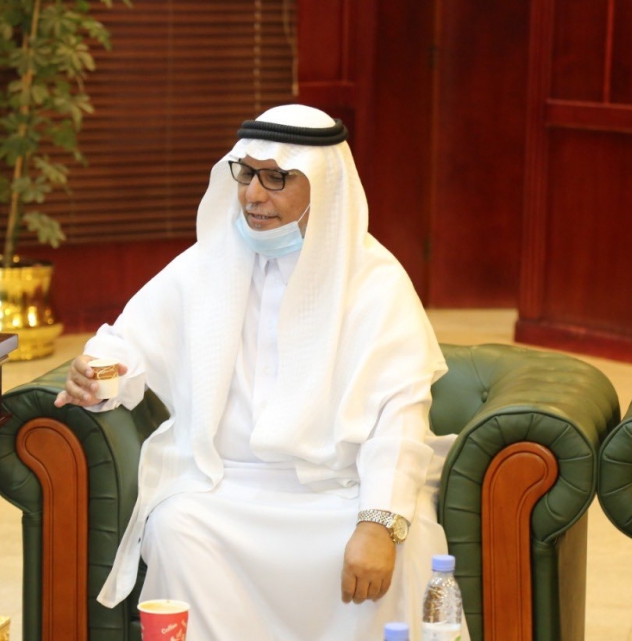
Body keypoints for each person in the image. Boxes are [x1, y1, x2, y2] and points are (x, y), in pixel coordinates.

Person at [55, 104, 465, 639]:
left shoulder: (375, 280)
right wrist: (96, 372)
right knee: (177, 528)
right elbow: (127, 345)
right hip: (226, 490)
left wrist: (378, 522)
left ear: (324, 186)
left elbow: (401, 412)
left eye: (277, 178)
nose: (252, 194)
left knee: (407, 549)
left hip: (341, 495)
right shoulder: (207, 263)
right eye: (246, 173)